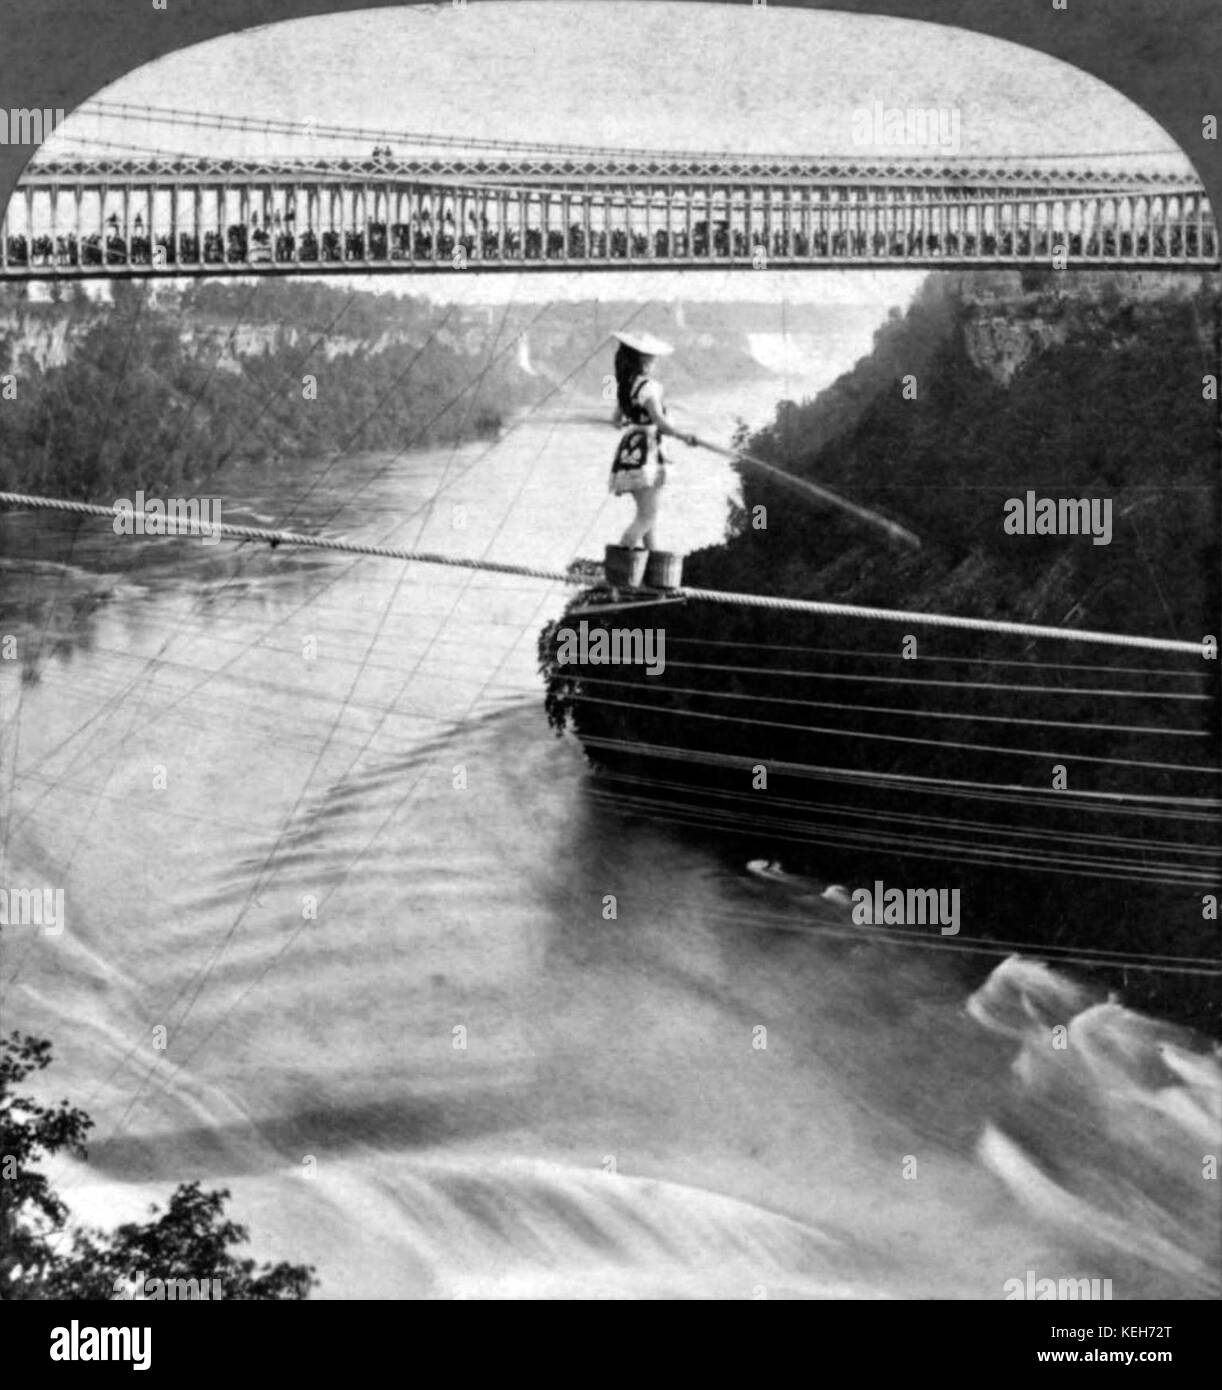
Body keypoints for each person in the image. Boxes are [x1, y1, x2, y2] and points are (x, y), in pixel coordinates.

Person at [608, 330, 697, 550]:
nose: (655, 360)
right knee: (646, 518)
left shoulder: (626, 387)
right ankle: (619, 569)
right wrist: (684, 435)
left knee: (648, 518)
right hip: (648, 455)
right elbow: (660, 422)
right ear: (643, 359)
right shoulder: (648, 387)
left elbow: (616, 420)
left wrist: (633, 422)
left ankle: (654, 575)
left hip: (630, 453)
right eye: (651, 356)